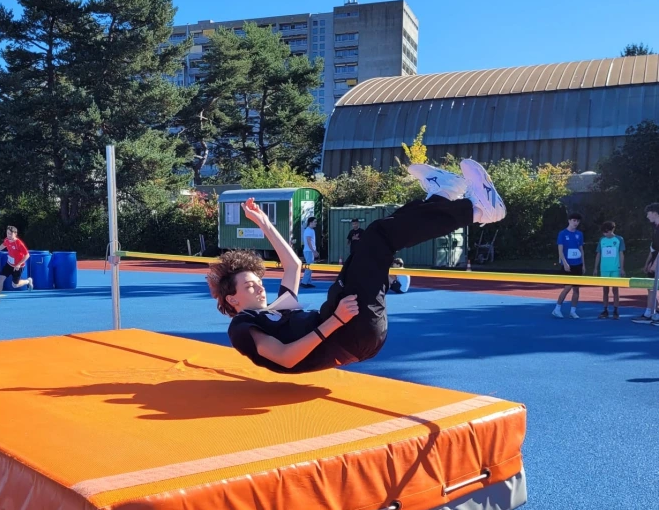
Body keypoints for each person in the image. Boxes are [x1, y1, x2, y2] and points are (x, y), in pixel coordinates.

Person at [206, 159, 506, 374]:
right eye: (250, 286)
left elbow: (293, 266)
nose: (260, 287)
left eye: (258, 282)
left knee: (373, 237)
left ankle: (444, 194)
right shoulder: (242, 326)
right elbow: (285, 357)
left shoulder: (276, 310)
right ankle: (477, 210)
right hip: (350, 333)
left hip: (341, 318)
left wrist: (265, 223)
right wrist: (335, 321)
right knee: (379, 237)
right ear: (232, 299)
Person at [0, 225, 33, 302]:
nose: (8, 235)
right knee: (0, 278)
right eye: (7, 233)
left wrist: (19, 264)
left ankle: (28, 281)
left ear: (15, 234)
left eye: (10, 234)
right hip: (9, 264)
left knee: (15, 285)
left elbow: (27, 255)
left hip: (18, 267)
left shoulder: (19, 243)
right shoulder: (7, 240)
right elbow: (3, 245)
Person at [552, 214, 585, 319]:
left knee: (576, 289)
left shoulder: (579, 234)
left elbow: (581, 250)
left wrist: (583, 264)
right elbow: (560, 251)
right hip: (567, 265)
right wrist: (565, 263)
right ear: (569, 221)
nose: (576, 223)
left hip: (578, 264)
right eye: (574, 220)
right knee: (567, 287)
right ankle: (557, 309)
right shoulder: (562, 234)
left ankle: (573, 311)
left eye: (578, 221)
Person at [631, 202, 659, 325]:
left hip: (658, 262)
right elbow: (653, 248)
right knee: (650, 287)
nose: (647, 216)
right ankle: (650, 313)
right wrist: (648, 263)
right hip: (655, 260)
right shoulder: (655, 228)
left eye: (648, 213)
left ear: (655, 213)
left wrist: (655, 264)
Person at [593, 222, 625, 319]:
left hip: (615, 269)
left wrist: (622, 268)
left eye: (606, 232)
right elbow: (598, 254)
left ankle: (615, 310)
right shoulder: (602, 240)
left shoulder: (619, 239)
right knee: (605, 290)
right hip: (604, 269)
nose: (605, 234)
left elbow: (621, 254)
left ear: (612, 230)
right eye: (603, 232)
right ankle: (605, 310)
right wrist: (595, 268)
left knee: (615, 290)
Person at [301, 216, 318, 289]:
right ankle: (304, 282)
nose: (316, 223)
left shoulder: (311, 230)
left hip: (309, 251)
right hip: (309, 251)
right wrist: (314, 251)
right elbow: (309, 241)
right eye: (315, 222)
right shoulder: (308, 230)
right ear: (310, 222)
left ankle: (308, 282)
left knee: (310, 267)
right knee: (309, 267)